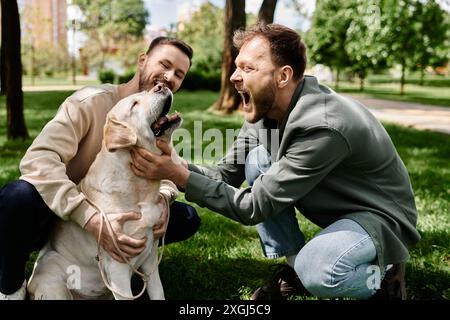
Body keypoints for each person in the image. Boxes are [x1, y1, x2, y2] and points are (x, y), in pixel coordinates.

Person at [130, 24, 421, 300]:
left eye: (248, 68)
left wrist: (179, 177)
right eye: (236, 66)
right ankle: (295, 269)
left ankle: (382, 275)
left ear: (283, 76)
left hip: (380, 217)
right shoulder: (265, 111)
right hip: (339, 206)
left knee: (319, 271)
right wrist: (174, 165)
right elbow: (225, 175)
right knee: (258, 159)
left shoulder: (322, 126)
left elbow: (255, 206)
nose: (234, 76)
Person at [0, 36, 201, 300]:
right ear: (143, 61)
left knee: (186, 217)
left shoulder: (154, 122)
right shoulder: (88, 102)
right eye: (164, 64)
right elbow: (38, 160)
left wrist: (164, 198)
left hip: (125, 210)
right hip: (60, 217)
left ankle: (117, 262)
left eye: (179, 74)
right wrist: (91, 219)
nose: (169, 76)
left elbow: (167, 169)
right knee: (18, 197)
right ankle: (11, 288)